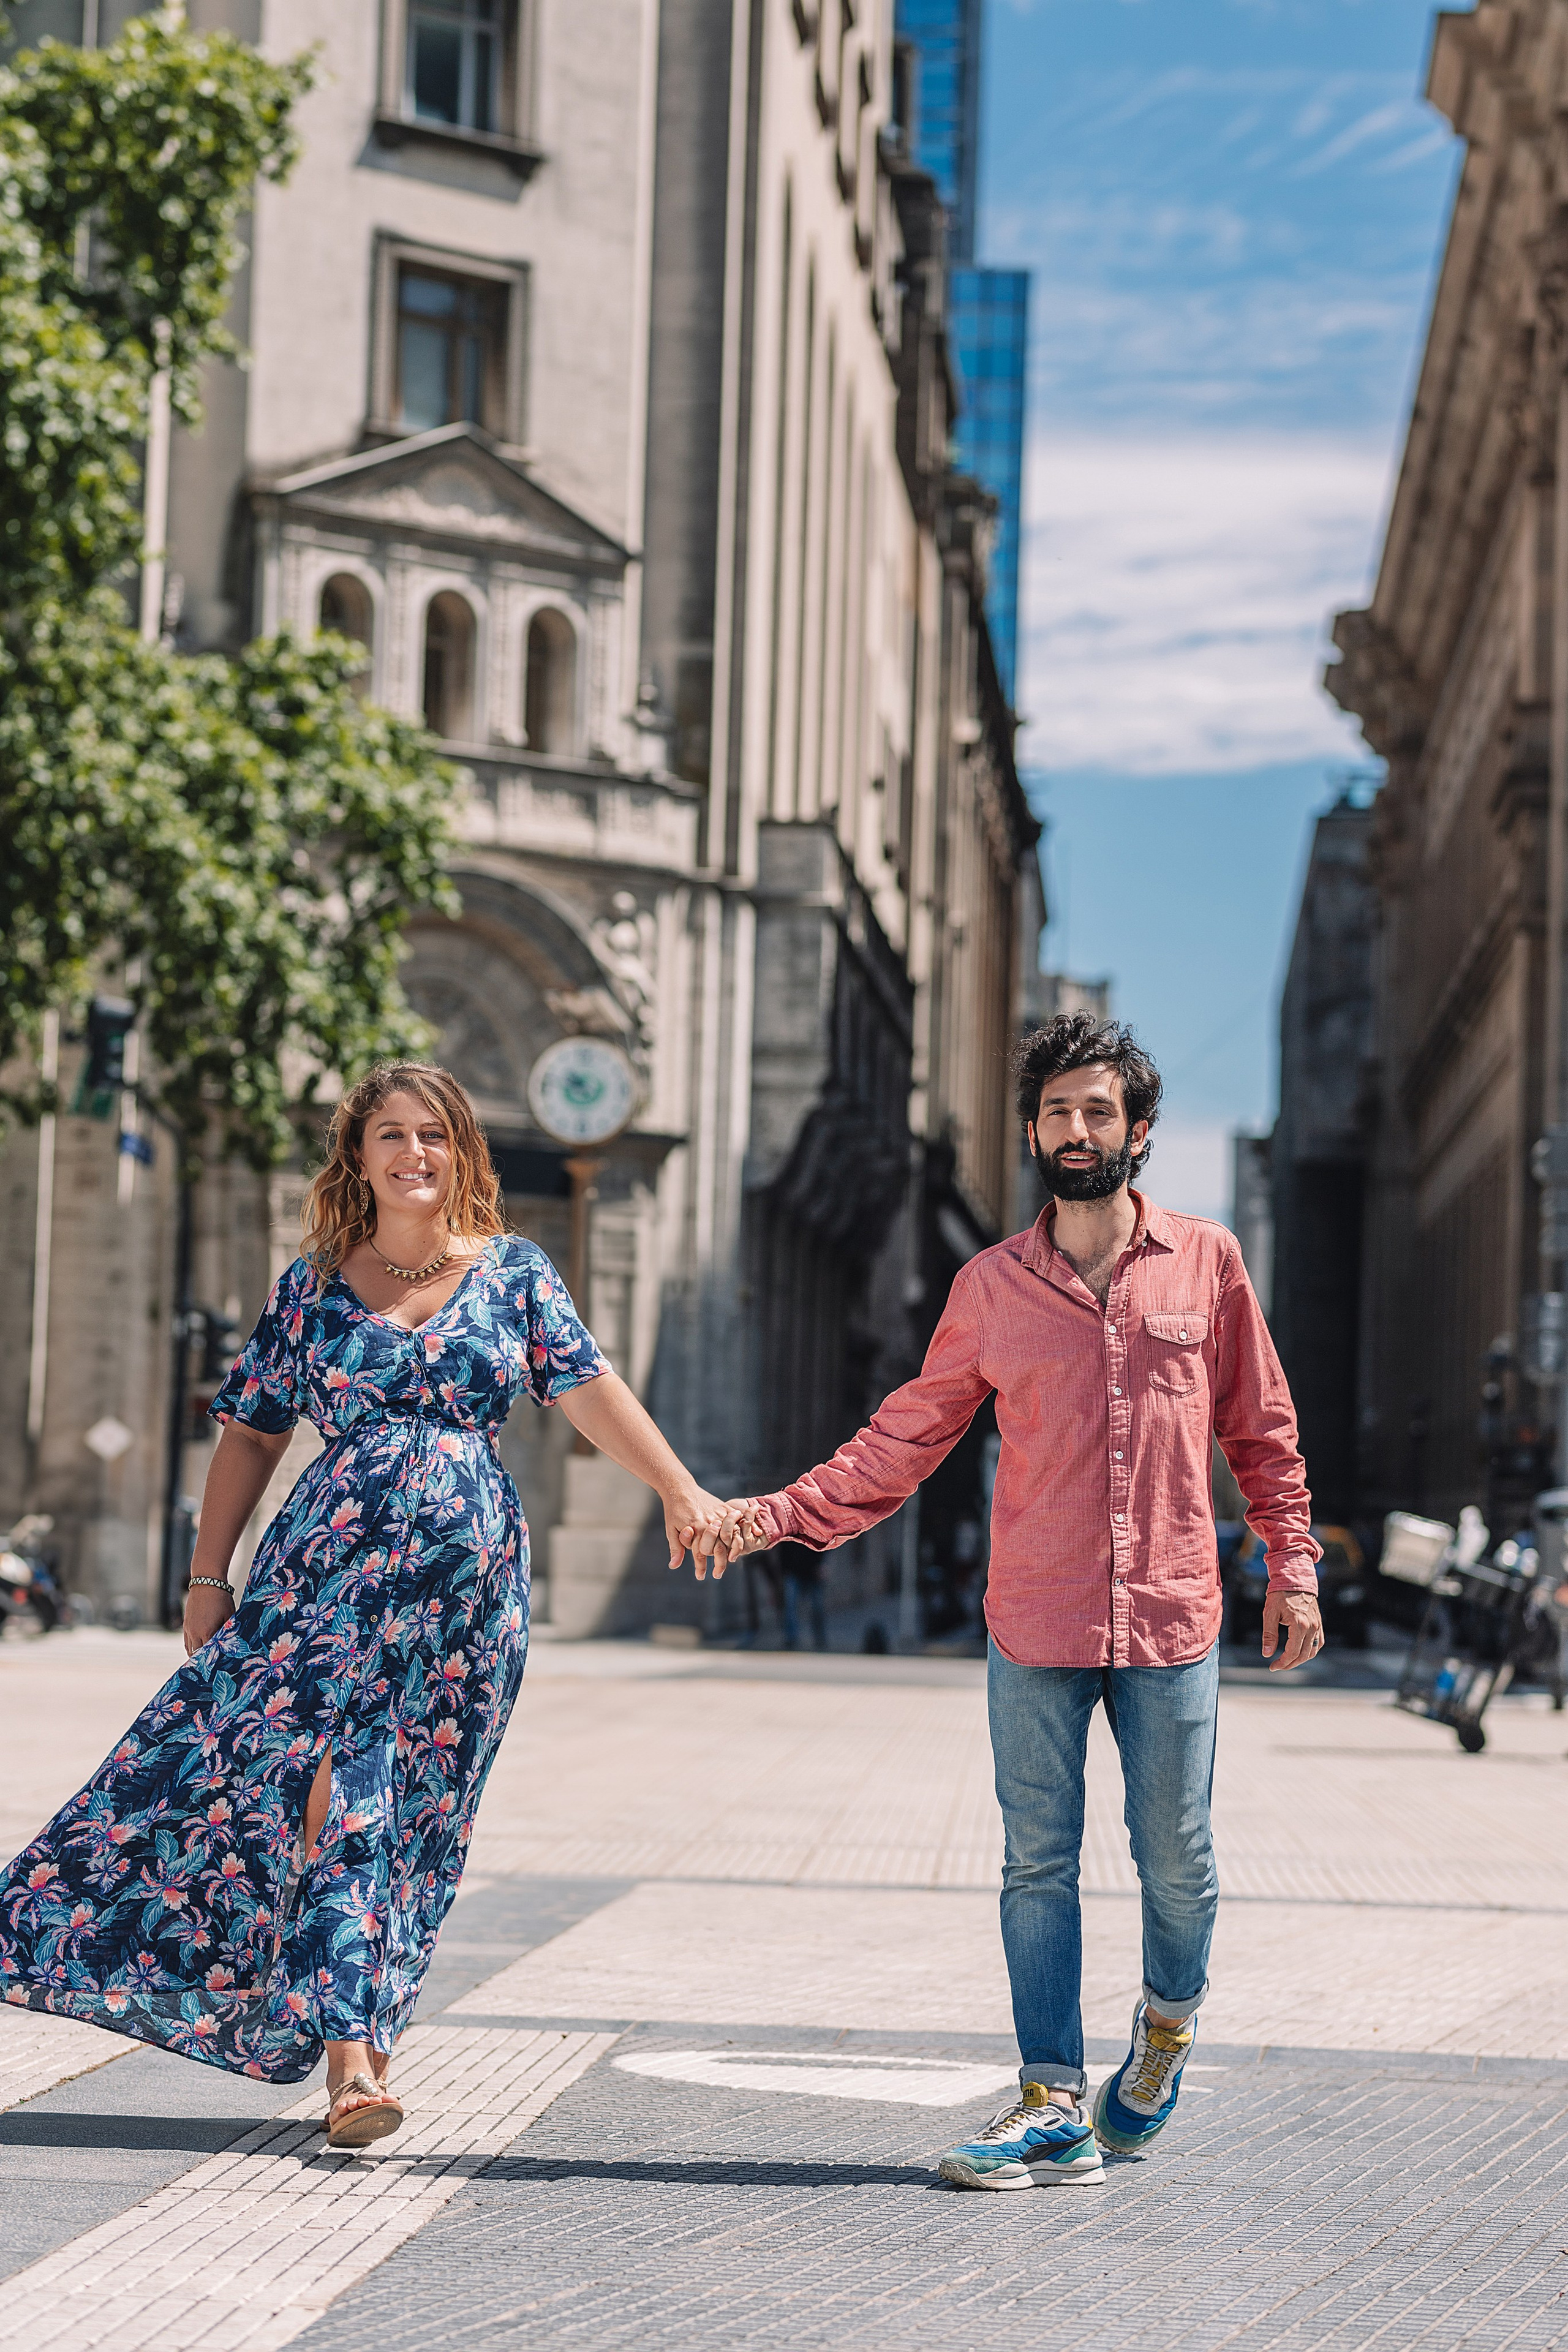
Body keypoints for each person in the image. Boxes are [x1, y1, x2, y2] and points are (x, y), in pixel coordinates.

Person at [0, 1061, 734, 2148]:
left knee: (423, 1813)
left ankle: (366, 2044)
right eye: (388, 1136)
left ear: (461, 1154)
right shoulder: (310, 1288)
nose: (412, 1154)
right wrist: (209, 1577)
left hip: (465, 1604)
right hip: (321, 1587)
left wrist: (680, 1489)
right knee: (323, 1786)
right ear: (358, 1159)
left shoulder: (516, 1275)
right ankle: (349, 2059)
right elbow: (251, 1432)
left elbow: (589, 1391)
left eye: (432, 1135)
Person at [707, 1012, 1322, 2190]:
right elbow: (907, 1437)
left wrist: (1292, 1564)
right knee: (1037, 1862)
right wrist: (780, 1514)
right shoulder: (990, 1286)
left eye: (1099, 1111)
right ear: (1033, 1131)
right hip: (1033, 1616)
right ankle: (1049, 2101)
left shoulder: (1209, 1261)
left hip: (1172, 1615)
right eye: (1056, 1112)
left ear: (1138, 1131)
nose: (1075, 1130)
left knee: (1177, 1858)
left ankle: (1168, 2028)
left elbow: (1260, 1426)